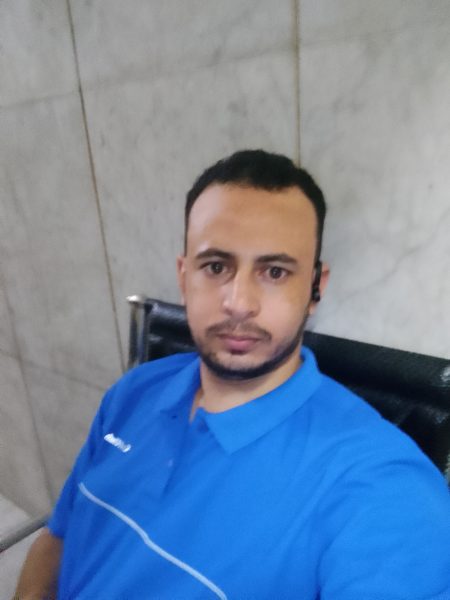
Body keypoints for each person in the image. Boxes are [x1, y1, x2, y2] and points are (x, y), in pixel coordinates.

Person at [14, 150, 450, 600]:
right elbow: (59, 537)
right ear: (184, 276)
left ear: (315, 289)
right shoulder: (133, 391)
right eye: (216, 267)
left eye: (275, 271)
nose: (239, 303)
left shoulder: (385, 489)